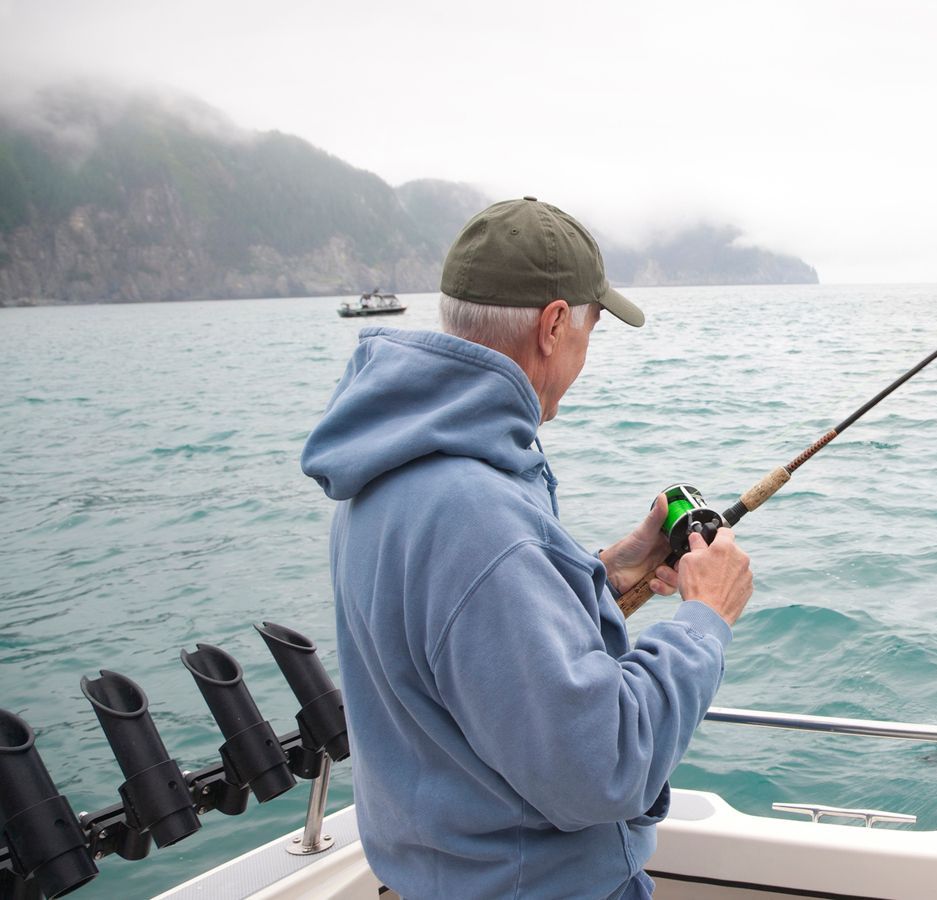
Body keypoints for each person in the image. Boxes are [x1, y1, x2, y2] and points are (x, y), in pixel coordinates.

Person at [301, 197, 754, 899]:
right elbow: (601, 767)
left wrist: (605, 573)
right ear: (552, 326)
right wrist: (705, 618)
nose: (584, 355)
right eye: (589, 330)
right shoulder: (479, 517)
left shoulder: (388, 469)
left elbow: (470, 653)